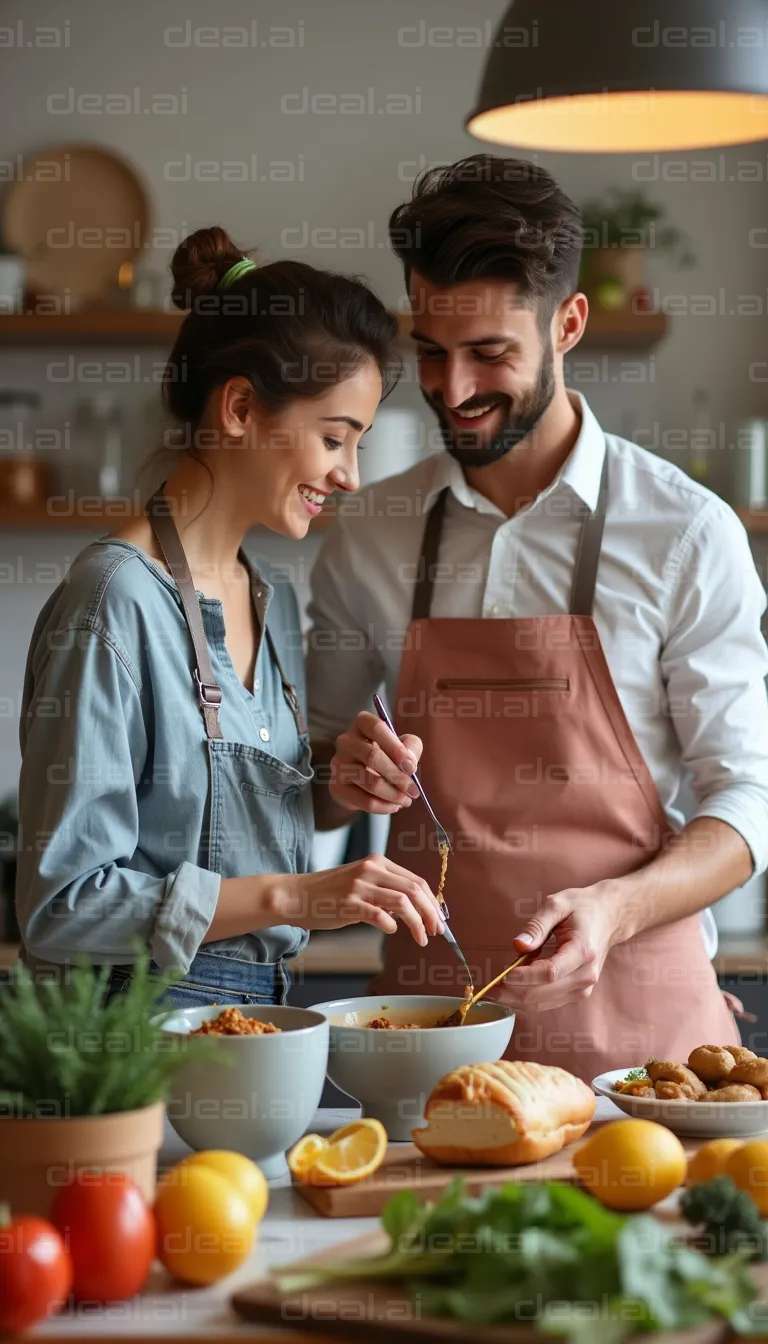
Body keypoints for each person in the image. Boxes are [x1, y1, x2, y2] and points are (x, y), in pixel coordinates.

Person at [307, 156, 768, 1078]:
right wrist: (342, 775)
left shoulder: (684, 531)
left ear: (569, 323)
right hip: (429, 1050)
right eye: (430, 349)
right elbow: (309, 784)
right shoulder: (371, 533)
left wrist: (613, 912)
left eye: (491, 353)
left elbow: (748, 806)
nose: (452, 386)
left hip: (647, 1064)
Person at [15, 226, 444, 1008]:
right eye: (334, 439)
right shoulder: (114, 601)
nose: (349, 476)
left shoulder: (263, 593)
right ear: (242, 406)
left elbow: (236, 819)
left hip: (251, 1025)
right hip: (126, 1050)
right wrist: (296, 898)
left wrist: (338, 783)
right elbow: (61, 908)